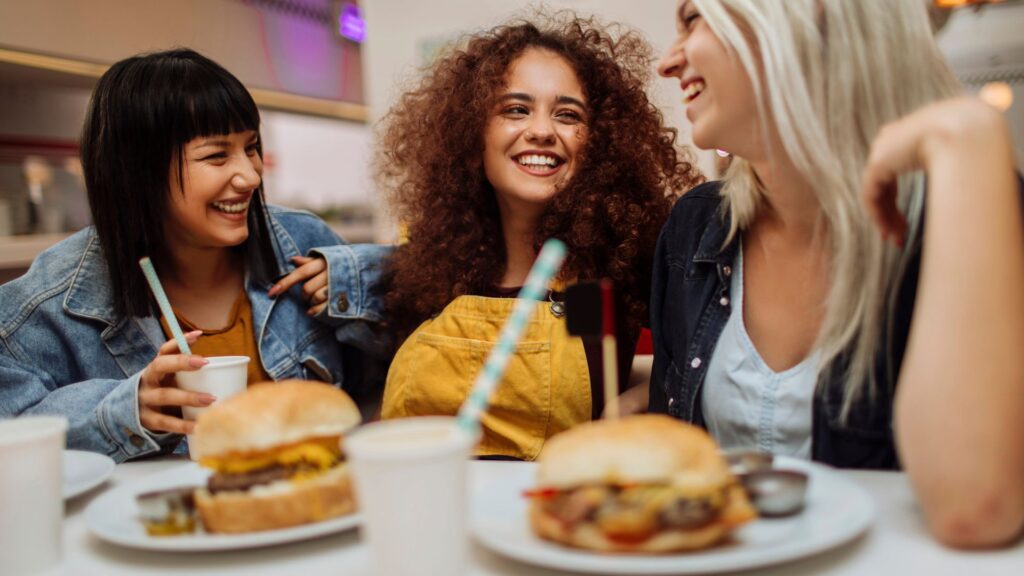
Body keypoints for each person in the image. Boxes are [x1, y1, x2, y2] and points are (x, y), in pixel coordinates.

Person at [650, 0, 1024, 547]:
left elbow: (973, 510)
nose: (667, 61)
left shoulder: (969, 211)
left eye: (692, 19)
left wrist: (968, 135)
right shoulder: (695, 225)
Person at [0, 49, 390, 462]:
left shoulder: (300, 240)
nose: (251, 176)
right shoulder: (52, 301)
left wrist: (362, 282)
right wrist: (123, 413)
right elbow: (12, 432)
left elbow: (399, 364)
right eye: (216, 155)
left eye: (251, 147)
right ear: (139, 173)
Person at [375, 12, 701, 460]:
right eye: (516, 109)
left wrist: (636, 402)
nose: (543, 131)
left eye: (568, 115)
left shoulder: (611, 272)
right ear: (474, 133)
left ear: (598, 141)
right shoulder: (428, 268)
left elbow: (688, 368)